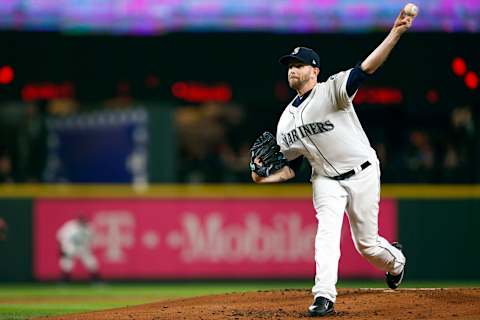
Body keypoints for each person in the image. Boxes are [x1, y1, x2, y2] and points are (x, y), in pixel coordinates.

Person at [250, 7, 414, 317]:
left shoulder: (333, 91)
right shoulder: (285, 121)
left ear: (314, 70)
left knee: (367, 246)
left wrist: (396, 33)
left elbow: (365, 69)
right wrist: (263, 179)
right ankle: (323, 296)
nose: (292, 69)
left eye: (299, 65)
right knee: (326, 232)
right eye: (289, 65)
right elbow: (292, 167)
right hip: (324, 180)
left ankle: (396, 261)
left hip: (362, 172)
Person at [56, 216, 99, 281]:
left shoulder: (89, 227)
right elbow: (60, 236)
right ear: (78, 221)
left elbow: (91, 239)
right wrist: (61, 248)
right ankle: (64, 282)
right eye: (81, 221)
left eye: (84, 221)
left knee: (91, 263)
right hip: (70, 249)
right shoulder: (70, 226)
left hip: (83, 249)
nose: (83, 222)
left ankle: (97, 281)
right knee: (66, 265)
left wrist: (88, 247)